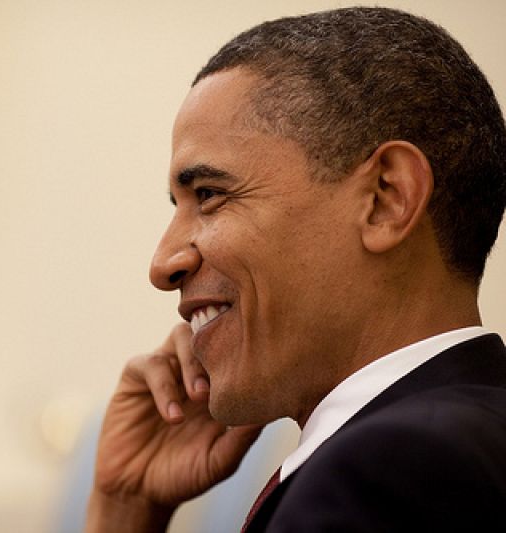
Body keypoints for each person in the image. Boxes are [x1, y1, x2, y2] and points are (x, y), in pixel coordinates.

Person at [85, 7, 506, 532]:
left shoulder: (382, 471)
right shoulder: (467, 443)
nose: (163, 263)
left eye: (209, 194)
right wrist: (127, 506)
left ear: (386, 198)